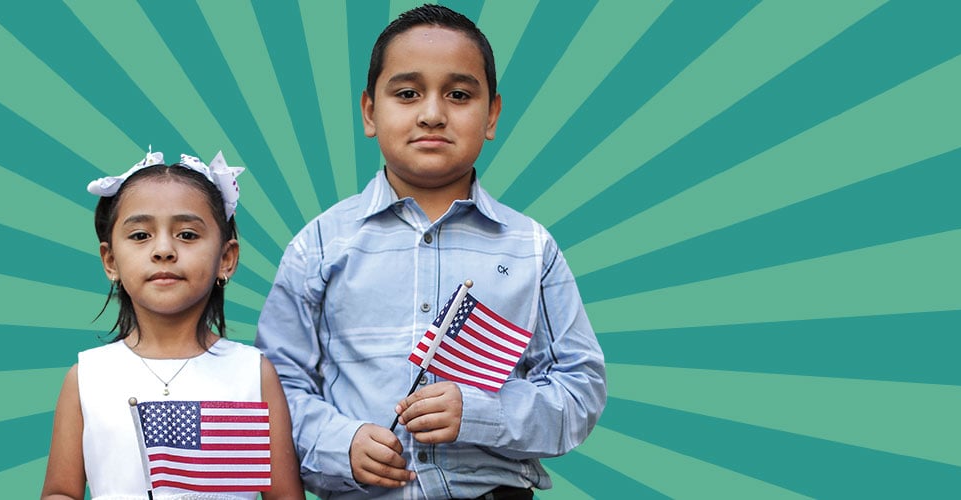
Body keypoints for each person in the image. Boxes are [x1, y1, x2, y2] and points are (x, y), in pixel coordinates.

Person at [255, 4, 606, 499]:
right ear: (370, 112)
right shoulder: (319, 244)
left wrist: (482, 412)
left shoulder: (531, 248)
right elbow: (272, 385)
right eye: (407, 93)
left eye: (459, 94)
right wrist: (340, 443)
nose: (433, 113)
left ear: (492, 115)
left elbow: (581, 388)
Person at [42, 150, 304, 500]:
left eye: (187, 235)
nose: (163, 249)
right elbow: (61, 492)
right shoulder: (87, 376)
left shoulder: (253, 373)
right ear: (110, 260)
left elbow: (284, 497)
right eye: (140, 236)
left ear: (226, 258)